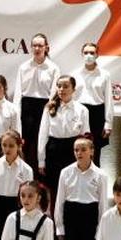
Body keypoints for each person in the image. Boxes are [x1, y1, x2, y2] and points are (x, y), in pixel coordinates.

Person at [37, 75, 88, 206]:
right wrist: (41, 160)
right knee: (54, 190)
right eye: (59, 86)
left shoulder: (82, 110)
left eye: (66, 86)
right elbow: (43, 135)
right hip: (54, 151)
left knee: (73, 188)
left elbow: (86, 138)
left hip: (73, 152)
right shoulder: (49, 108)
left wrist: (84, 159)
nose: (61, 89)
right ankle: (55, 221)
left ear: (73, 89)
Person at [14, 33, 60, 167]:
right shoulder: (23, 67)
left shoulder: (53, 68)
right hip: (27, 107)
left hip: (44, 107)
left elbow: (53, 93)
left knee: (42, 141)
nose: (37, 48)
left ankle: (40, 176)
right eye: (34, 45)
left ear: (46, 47)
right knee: (26, 143)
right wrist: (17, 111)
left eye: (40, 45)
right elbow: (18, 92)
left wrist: (49, 110)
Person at [72, 42, 113, 156]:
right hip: (80, 112)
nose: (88, 55)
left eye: (91, 52)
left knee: (95, 150)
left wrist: (108, 123)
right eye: (86, 53)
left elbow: (109, 100)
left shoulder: (105, 75)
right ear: (82, 54)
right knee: (79, 147)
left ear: (97, 55)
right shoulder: (75, 74)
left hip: (97, 113)